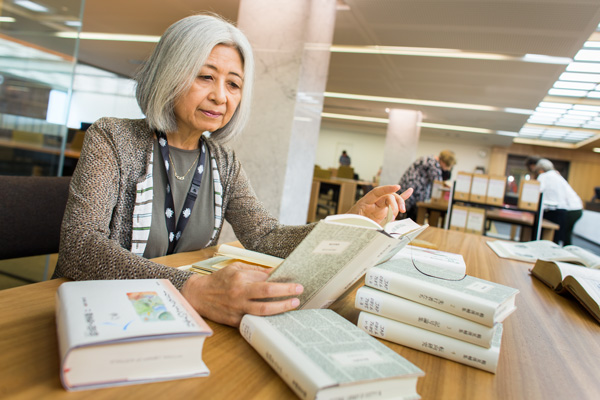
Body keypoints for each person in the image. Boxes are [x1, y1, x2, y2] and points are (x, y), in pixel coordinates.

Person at [54, 14, 413, 328]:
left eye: (234, 84)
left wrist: (348, 223)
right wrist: (191, 288)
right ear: (169, 74)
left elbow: (265, 236)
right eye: (205, 77)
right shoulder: (112, 138)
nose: (220, 96)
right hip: (102, 310)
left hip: (173, 314)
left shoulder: (223, 163)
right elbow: (80, 246)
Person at [534, 159, 583, 246]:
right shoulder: (557, 176)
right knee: (564, 235)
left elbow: (538, 190)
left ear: (540, 170)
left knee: (557, 234)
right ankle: (567, 256)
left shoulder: (544, 176)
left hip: (568, 209)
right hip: (576, 208)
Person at [397, 150, 456, 221]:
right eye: (448, 166)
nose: (447, 169)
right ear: (444, 162)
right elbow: (438, 183)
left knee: (405, 213)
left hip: (408, 187)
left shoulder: (430, 159)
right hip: (412, 190)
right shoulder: (434, 164)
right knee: (409, 215)